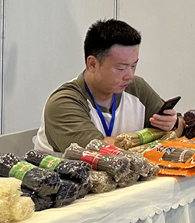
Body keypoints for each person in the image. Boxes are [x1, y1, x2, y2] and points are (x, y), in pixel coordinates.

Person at [34, 19, 184, 154]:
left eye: (134, 65)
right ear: (92, 64)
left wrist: (172, 124)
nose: (129, 75)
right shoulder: (64, 103)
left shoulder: (136, 88)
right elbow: (100, 152)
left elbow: (180, 126)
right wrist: (158, 136)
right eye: (121, 68)